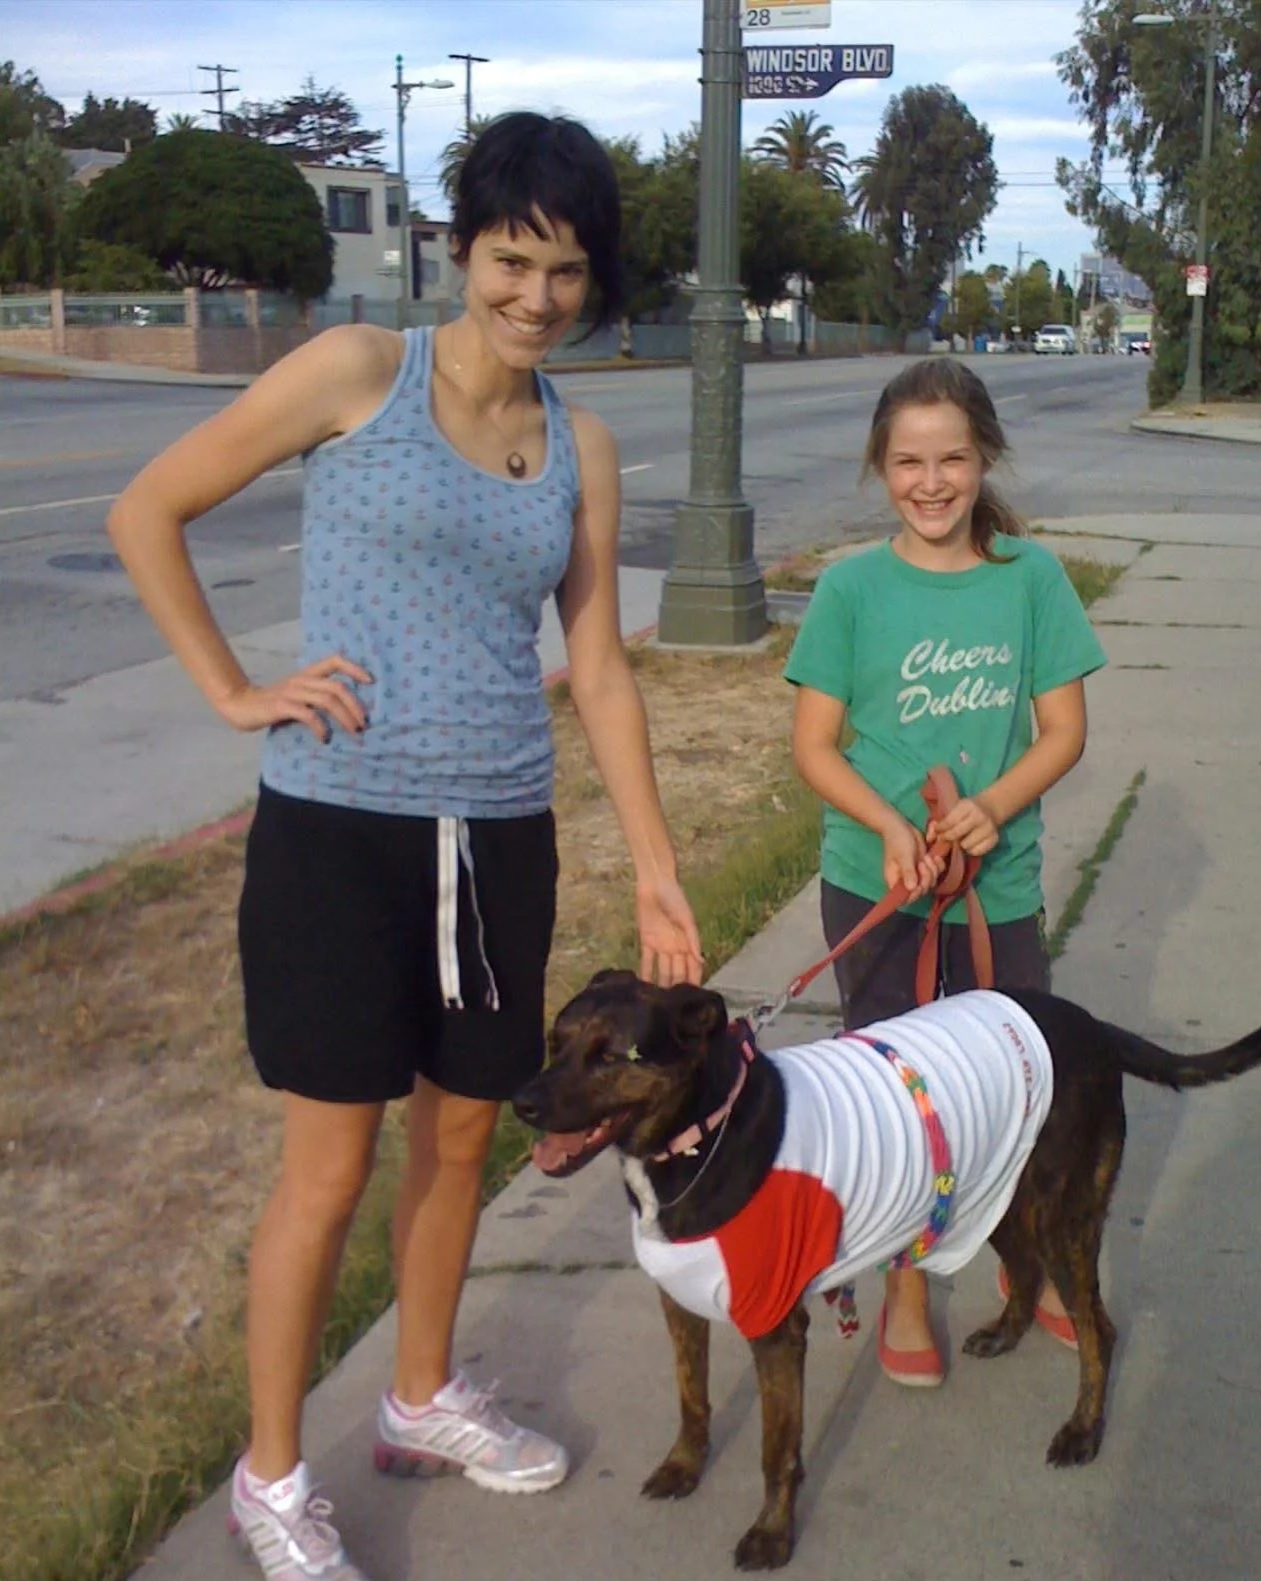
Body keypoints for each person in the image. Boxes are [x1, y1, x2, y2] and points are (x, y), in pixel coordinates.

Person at [107, 112, 702, 1581]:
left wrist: (659, 858)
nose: (535, 297)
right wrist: (239, 691)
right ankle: (268, 1474)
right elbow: (148, 510)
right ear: (460, 250)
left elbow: (601, 667)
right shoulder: (357, 376)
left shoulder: (582, 440)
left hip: (497, 840)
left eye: (566, 271)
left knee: (456, 1136)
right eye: (512, 260)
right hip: (339, 838)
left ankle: (422, 1394)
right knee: (329, 1163)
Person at [784, 357, 1106, 1386]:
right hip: (878, 888)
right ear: (880, 466)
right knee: (900, 1101)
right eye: (908, 461)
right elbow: (815, 746)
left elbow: (1062, 731)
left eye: (953, 459)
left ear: (985, 459)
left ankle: (1029, 1260)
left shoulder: (1030, 580)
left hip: (994, 889)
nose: (931, 482)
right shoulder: (848, 588)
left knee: (1016, 1085)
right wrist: (887, 823)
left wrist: (989, 809)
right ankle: (906, 1285)